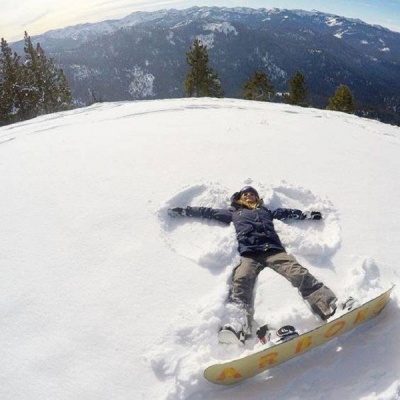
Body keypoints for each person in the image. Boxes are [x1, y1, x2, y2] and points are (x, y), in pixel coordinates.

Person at [168, 185, 338, 344]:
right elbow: (208, 212)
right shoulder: (234, 213)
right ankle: (237, 325)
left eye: (252, 194)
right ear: (239, 198)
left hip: (274, 251)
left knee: (298, 273)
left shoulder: (266, 211)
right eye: (245, 194)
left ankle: (328, 305)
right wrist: (185, 210)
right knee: (241, 280)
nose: (249, 196)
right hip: (249, 254)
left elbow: (287, 213)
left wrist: (307, 215)